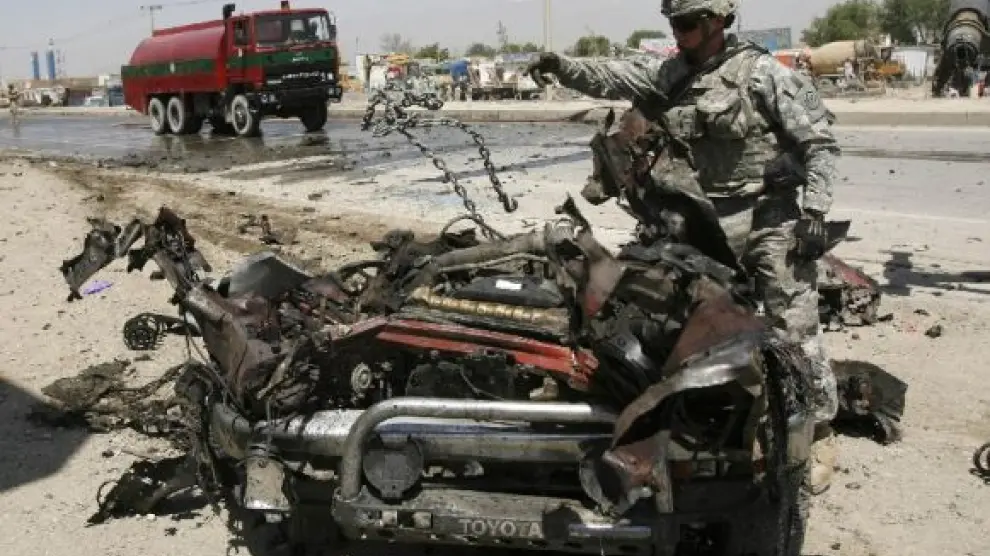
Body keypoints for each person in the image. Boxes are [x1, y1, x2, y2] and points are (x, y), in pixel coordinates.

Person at [525, 0, 839, 495]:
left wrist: (815, 212)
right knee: (680, 318)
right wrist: (561, 66)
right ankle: (715, 419)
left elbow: (819, 143)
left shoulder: (762, 74)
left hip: (767, 218)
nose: (680, 32)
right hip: (704, 221)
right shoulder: (671, 74)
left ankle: (817, 433)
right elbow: (611, 76)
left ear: (717, 21)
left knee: (794, 324)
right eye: (673, 23)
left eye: (689, 23)